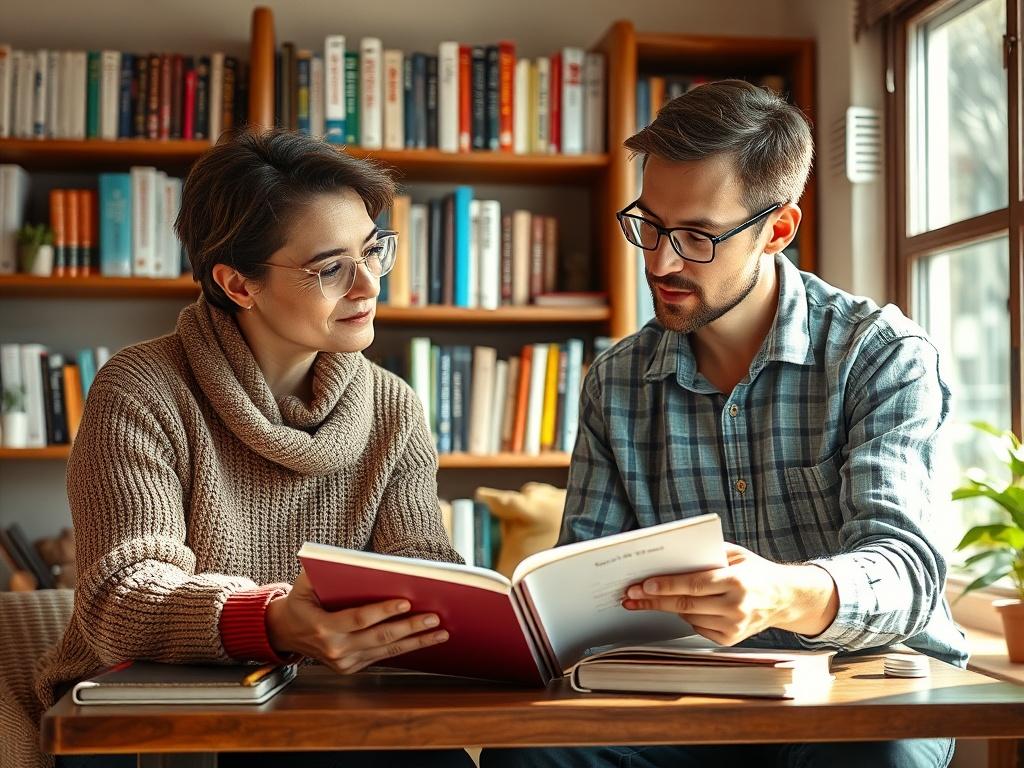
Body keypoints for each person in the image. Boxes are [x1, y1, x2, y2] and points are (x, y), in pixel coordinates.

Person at [481, 80, 966, 768]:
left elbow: (907, 573)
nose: (660, 261)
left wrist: (783, 594)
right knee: (530, 753)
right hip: (687, 695)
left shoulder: (879, 355)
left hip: (860, 683)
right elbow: (581, 591)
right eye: (650, 225)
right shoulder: (616, 380)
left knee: (876, 757)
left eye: (698, 236)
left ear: (778, 230)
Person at [33, 128, 474, 768]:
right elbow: (122, 596)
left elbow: (421, 567)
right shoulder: (142, 388)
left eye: (373, 251)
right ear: (239, 284)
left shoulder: (392, 405)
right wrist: (270, 621)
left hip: (328, 709)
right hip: (149, 715)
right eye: (331, 268)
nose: (368, 285)